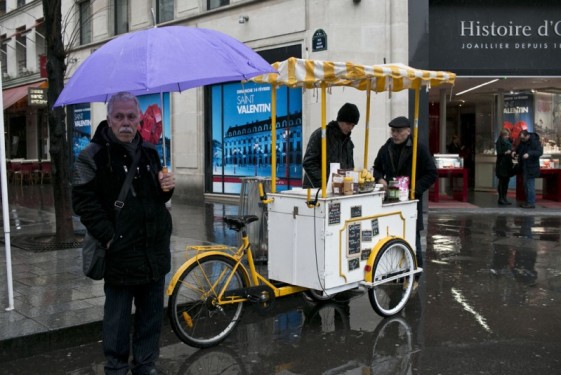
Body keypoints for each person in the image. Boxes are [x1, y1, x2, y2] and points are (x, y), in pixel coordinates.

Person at [72, 92, 175, 375]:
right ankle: (116, 368)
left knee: (151, 316)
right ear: (109, 119)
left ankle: (145, 365)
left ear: (140, 118)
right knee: (117, 319)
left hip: (154, 251)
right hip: (119, 253)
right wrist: (109, 236)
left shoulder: (151, 152)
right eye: (119, 116)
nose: (126, 122)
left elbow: (157, 197)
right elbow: (82, 201)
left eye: (131, 116)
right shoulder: (92, 156)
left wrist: (167, 186)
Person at [372, 116, 437, 278]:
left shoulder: (418, 149)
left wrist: (415, 190)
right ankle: (394, 274)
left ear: (408, 131)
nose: (395, 134)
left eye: (399, 131)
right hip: (390, 201)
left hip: (411, 201)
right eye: (393, 131)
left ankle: (414, 277)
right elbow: (376, 168)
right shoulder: (385, 148)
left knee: (412, 240)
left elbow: (431, 173)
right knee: (391, 237)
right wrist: (380, 179)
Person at [302, 103, 360, 188]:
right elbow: (308, 162)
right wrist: (325, 184)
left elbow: (350, 168)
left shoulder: (349, 143)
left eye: (353, 125)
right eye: (348, 123)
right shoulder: (321, 135)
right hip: (316, 191)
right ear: (340, 120)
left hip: (337, 190)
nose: (350, 127)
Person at [514, 129, 543, 209]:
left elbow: (539, 152)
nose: (522, 140)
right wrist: (515, 151)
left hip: (531, 167)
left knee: (530, 185)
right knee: (526, 185)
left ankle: (531, 203)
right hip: (524, 166)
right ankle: (528, 202)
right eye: (521, 138)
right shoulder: (523, 142)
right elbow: (519, 148)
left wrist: (529, 154)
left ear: (527, 136)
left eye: (523, 138)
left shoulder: (535, 141)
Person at [495, 128, 514, 206]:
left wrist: (511, 152)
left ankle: (504, 197)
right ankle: (501, 198)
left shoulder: (509, 142)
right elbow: (499, 153)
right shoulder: (499, 142)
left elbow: (512, 147)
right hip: (501, 164)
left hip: (507, 164)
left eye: (508, 135)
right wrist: (505, 152)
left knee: (506, 181)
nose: (507, 136)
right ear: (502, 135)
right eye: (506, 135)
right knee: (502, 181)